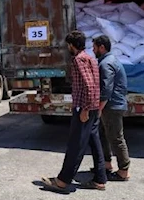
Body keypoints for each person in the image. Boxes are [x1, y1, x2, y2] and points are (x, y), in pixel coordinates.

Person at [42, 30, 107, 193]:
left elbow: (88, 85)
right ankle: (100, 179)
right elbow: (94, 84)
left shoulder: (79, 60)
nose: (67, 48)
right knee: (94, 142)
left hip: (84, 108)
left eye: (68, 45)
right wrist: (93, 108)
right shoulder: (90, 58)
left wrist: (85, 109)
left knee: (75, 146)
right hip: (91, 107)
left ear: (72, 45)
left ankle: (63, 181)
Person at [93, 35, 131, 181]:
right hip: (112, 105)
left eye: (94, 47)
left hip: (112, 106)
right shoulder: (110, 60)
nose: (93, 50)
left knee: (115, 137)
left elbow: (106, 89)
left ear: (102, 47)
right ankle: (107, 164)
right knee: (104, 135)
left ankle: (123, 171)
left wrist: (99, 108)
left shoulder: (106, 64)